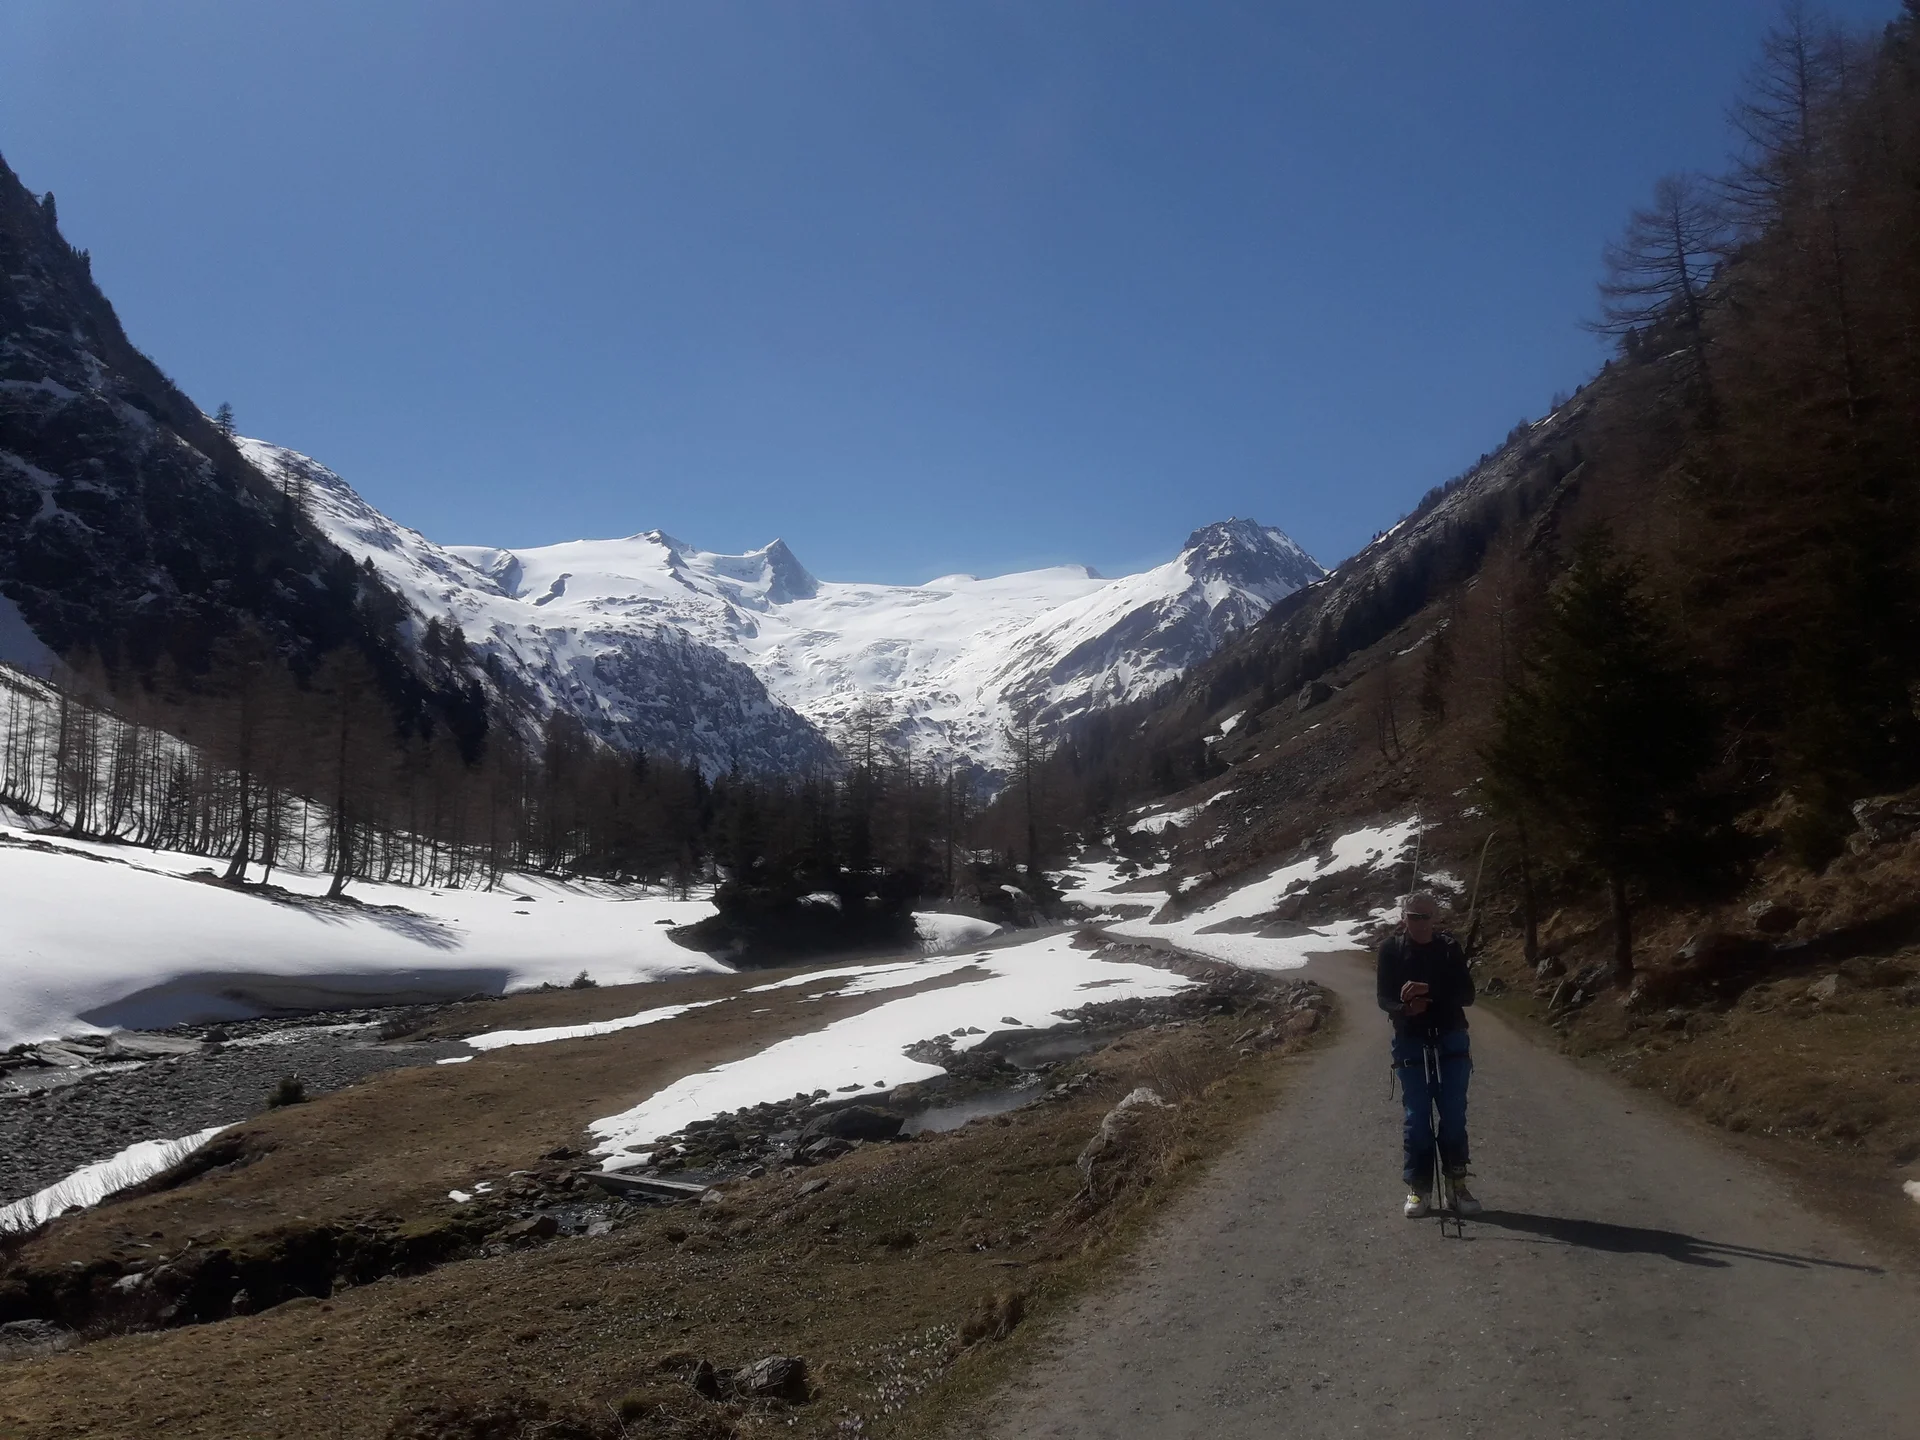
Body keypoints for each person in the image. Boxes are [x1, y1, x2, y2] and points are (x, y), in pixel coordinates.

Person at [1376, 890, 1481, 1218]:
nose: (1420, 923)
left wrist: (1429, 993)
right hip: (1410, 1039)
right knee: (1416, 1118)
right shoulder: (1391, 950)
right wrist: (1406, 1009)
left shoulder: (1449, 949)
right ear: (1403, 918)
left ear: (1435, 918)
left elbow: (1467, 994)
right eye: (1414, 916)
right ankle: (1419, 1188)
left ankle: (1456, 1186)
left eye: (1426, 916)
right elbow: (1384, 998)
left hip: (1451, 1037)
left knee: (1453, 1114)